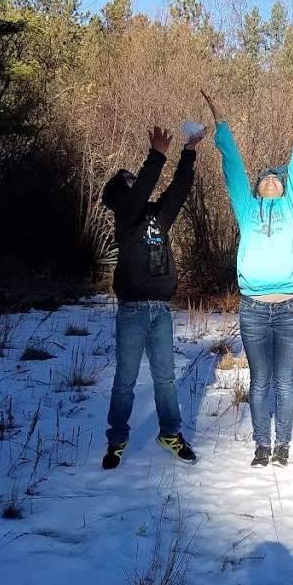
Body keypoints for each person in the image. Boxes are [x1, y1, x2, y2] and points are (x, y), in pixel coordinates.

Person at [201, 87, 293, 467]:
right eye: (265, 178)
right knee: (260, 380)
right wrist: (221, 123)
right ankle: (262, 446)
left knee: (284, 381)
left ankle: (282, 445)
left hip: (286, 309)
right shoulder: (247, 210)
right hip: (252, 310)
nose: (271, 180)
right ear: (256, 188)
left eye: (275, 179)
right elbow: (233, 165)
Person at [99, 122, 205, 469]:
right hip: (131, 311)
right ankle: (117, 439)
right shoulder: (125, 218)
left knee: (165, 379)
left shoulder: (157, 217)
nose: (136, 184)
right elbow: (141, 190)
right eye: (129, 182)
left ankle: (170, 433)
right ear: (121, 196)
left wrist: (188, 153)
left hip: (160, 310)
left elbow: (178, 190)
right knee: (125, 382)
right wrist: (156, 156)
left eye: (135, 179)